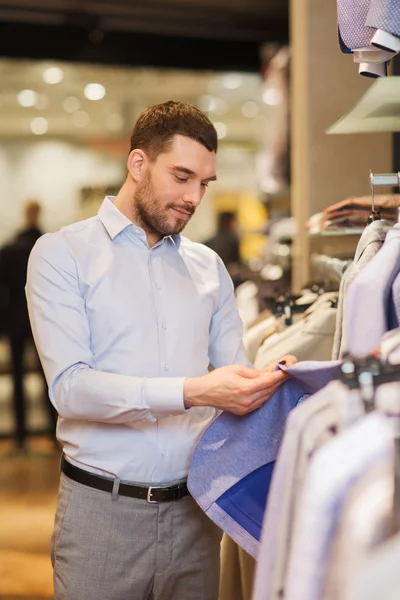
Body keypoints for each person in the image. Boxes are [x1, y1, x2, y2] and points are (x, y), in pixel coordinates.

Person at [26, 101, 295, 600]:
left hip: (196, 514)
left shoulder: (208, 266)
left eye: (204, 184)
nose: (195, 198)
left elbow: (235, 371)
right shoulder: (62, 255)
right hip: (102, 517)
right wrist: (194, 392)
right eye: (182, 177)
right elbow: (72, 390)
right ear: (137, 164)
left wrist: (275, 380)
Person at [0, 200, 56, 451]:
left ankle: (20, 437)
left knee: (20, 380)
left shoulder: (10, 250)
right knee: (49, 377)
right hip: (42, 321)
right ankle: (54, 434)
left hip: (14, 322)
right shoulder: (49, 248)